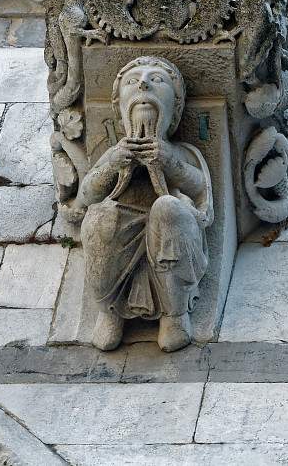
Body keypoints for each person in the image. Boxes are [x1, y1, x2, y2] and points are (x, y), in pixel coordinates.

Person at [77, 56, 212, 352]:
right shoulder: (114, 152)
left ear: (174, 108)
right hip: (120, 234)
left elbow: (201, 192)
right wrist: (113, 163)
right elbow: (86, 196)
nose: (143, 83)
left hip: (166, 235)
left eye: (157, 80)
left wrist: (168, 161)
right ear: (119, 107)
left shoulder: (182, 152)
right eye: (132, 81)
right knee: (100, 218)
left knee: (168, 208)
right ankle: (109, 311)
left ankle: (174, 315)